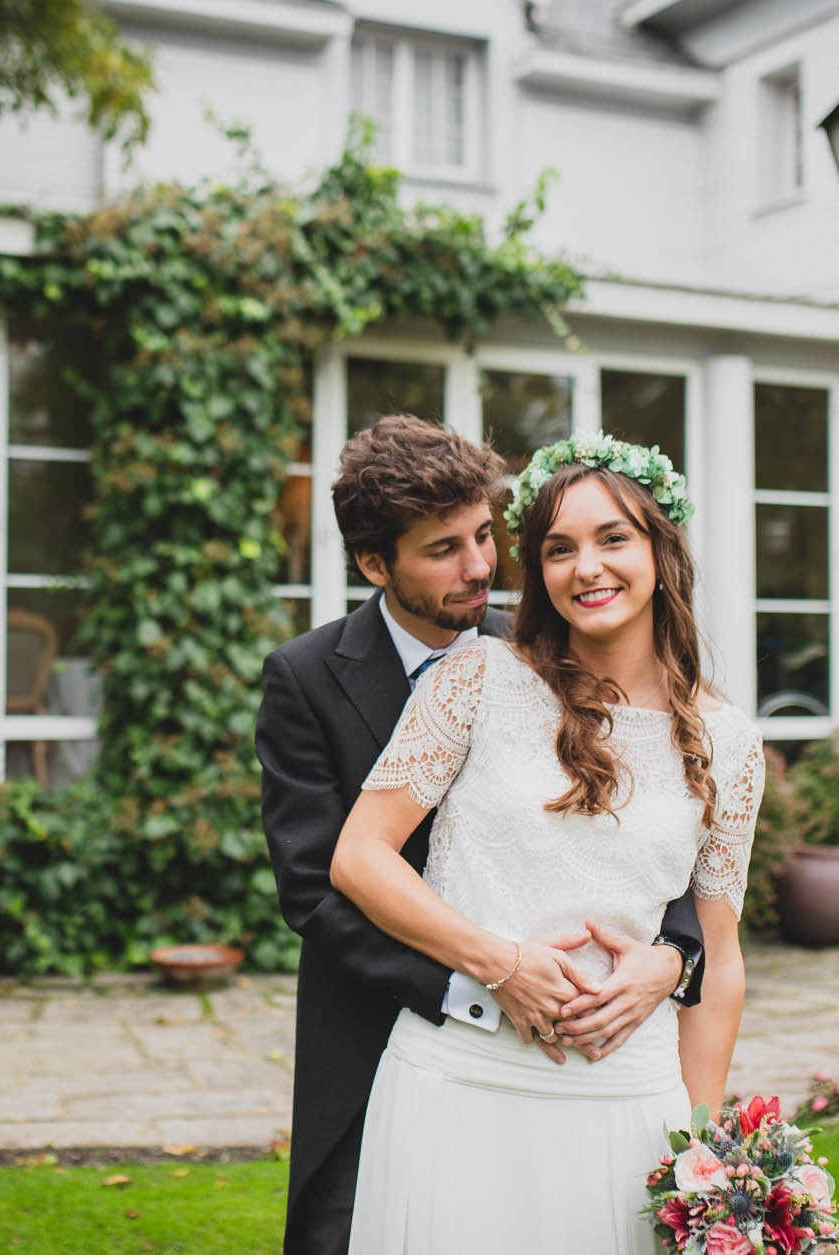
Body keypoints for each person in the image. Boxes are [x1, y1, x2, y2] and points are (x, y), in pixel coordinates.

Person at [256, 417, 709, 1255]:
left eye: (484, 535)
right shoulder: (305, 679)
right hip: (379, 1030)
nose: (480, 566)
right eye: (442, 549)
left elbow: (653, 828)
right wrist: (485, 976)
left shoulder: (547, 651)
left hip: (573, 1049)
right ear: (374, 563)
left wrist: (675, 955)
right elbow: (319, 888)